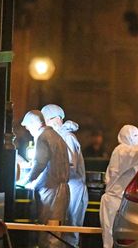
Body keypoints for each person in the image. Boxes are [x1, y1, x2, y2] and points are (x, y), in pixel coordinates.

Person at [19, 110, 70, 248]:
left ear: (34, 124)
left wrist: (26, 181)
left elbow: (40, 163)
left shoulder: (43, 137)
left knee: (49, 235)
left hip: (51, 191)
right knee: (56, 232)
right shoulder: (54, 135)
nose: (28, 130)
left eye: (28, 127)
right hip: (59, 190)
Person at [41, 104, 88, 247]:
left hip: (73, 186)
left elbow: (69, 165)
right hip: (65, 186)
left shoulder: (67, 137)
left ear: (54, 120)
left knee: (71, 228)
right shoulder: (59, 136)